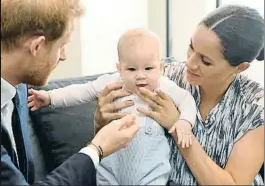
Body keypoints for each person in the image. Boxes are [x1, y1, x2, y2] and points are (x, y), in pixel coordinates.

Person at [94, 5, 264, 185]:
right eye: (191, 47)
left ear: (240, 68)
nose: (190, 63)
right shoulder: (165, 77)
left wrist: (178, 127)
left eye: (205, 61)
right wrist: (100, 122)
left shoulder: (255, 109)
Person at [1, 0, 140, 186]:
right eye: (61, 46)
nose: (64, 56)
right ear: (36, 47)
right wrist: (97, 148)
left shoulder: (17, 87)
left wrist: (99, 133)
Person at [27, 28, 197, 185]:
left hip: (150, 173)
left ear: (160, 67)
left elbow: (187, 100)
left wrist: (184, 123)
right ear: (119, 69)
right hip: (111, 169)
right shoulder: (113, 82)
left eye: (148, 68)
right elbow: (82, 92)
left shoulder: (164, 86)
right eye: (131, 69)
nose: (140, 76)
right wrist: (50, 97)